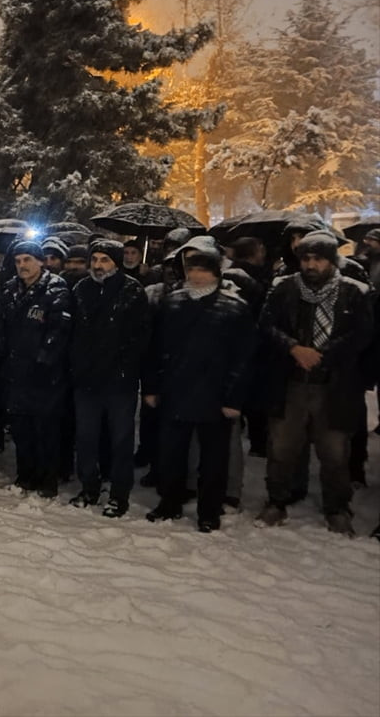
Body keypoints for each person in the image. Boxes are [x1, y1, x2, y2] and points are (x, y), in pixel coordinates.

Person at [256, 230, 373, 537]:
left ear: (331, 260)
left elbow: (363, 334)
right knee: (282, 448)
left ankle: (336, 507)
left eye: (318, 259)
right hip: (290, 382)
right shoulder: (284, 288)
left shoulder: (354, 291)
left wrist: (323, 355)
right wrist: (294, 348)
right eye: (305, 258)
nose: (310, 264)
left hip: (334, 385)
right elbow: (266, 325)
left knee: (334, 451)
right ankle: (277, 500)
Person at [142, 237, 255, 532]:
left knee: (213, 460)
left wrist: (234, 399)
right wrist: (152, 387)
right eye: (191, 269)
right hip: (175, 392)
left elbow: (243, 357)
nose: (196, 275)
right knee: (171, 454)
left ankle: (209, 510)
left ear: (216, 272)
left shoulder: (233, 307)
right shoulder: (173, 303)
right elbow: (155, 348)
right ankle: (170, 501)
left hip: (215, 396)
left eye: (203, 269)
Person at [0, 240, 72, 497]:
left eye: (27, 260)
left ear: (40, 262)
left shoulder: (56, 289)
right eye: (18, 261)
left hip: (45, 375)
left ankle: (47, 480)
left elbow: (59, 331)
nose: (22, 266)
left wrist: (44, 361)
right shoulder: (9, 290)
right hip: (15, 372)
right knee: (22, 430)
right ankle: (26, 475)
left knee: (45, 430)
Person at [67, 240, 149, 517]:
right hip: (86, 380)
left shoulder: (132, 291)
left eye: (105, 260)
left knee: (121, 440)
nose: (99, 265)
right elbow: (74, 332)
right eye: (96, 259)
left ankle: (118, 494)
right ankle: (89, 487)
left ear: (116, 262)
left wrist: (126, 369)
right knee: (86, 438)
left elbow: (140, 338)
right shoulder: (81, 289)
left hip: (119, 381)